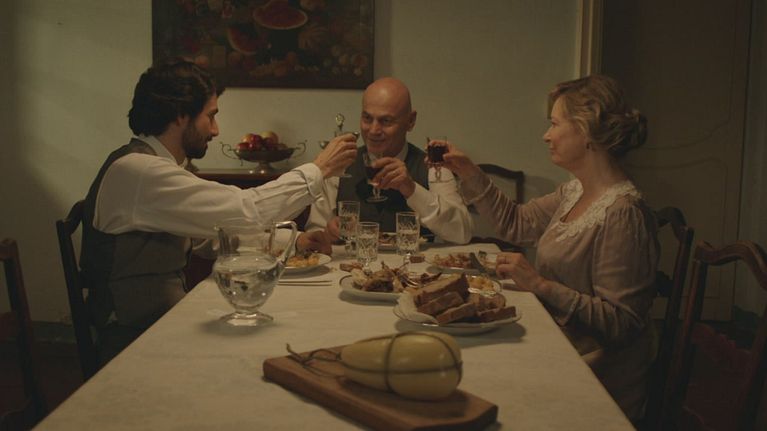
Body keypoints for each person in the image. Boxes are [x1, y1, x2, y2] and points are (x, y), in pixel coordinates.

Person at [80, 60, 357, 361]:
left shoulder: (152, 169)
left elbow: (212, 238)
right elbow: (247, 210)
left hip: (161, 320)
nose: (215, 130)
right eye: (210, 116)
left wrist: (295, 241)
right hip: (132, 338)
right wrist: (319, 168)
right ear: (180, 115)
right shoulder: (138, 172)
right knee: (275, 344)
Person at [441, 75, 658, 420]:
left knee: (471, 382)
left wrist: (541, 285)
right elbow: (516, 223)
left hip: (595, 376)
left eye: (555, 124)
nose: (546, 135)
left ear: (585, 131)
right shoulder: (574, 191)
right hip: (560, 347)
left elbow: (622, 323)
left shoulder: (623, 214)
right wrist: (468, 171)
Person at [305, 77, 472, 245]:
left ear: (410, 121)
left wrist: (412, 189)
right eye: (367, 118)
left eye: (386, 121)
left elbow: (462, 233)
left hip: (415, 261)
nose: (373, 130)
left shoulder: (433, 167)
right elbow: (314, 233)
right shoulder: (338, 165)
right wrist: (328, 233)